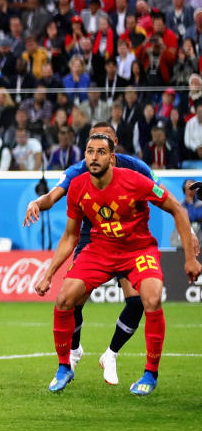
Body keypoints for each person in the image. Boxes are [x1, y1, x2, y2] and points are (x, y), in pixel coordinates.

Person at [24, 123, 199, 386]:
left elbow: (176, 207)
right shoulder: (77, 182)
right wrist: (48, 274)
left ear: (113, 154)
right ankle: (66, 364)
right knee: (65, 299)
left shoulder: (137, 174)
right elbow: (69, 234)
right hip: (99, 246)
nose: (94, 157)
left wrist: (189, 254)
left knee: (149, 299)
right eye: (89, 151)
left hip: (137, 249)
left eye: (101, 152)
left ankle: (147, 372)